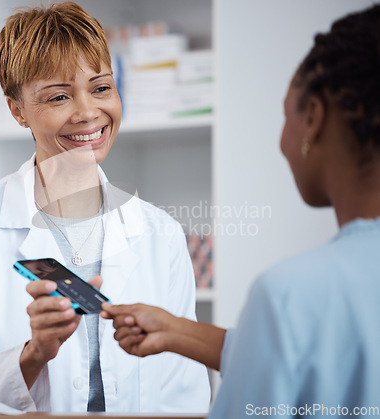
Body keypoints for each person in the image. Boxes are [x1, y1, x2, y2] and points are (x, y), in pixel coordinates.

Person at [0, 1, 210, 414]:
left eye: (101, 88)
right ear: (16, 109)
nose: (89, 112)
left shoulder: (160, 232)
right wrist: (35, 352)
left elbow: (185, 395)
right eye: (59, 96)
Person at [102, 4, 380, 418]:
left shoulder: (290, 294)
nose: (282, 143)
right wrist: (177, 330)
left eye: (286, 117)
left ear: (314, 120)